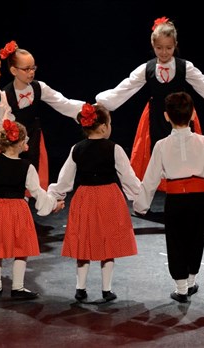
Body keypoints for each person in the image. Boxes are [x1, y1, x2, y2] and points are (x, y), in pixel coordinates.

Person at [95, 16, 204, 191]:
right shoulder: (147, 69)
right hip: (155, 117)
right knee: (157, 153)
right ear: (153, 46)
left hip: (181, 116)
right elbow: (125, 87)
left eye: (168, 48)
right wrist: (101, 102)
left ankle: (185, 186)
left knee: (184, 153)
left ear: (175, 45)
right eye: (159, 48)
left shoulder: (184, 67)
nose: (164, 52)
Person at [133, 91, 204, 303]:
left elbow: (150, 180)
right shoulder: (203, 142)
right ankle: (190, 282)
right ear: (193, 115)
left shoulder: (161, 145)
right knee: (196, 238)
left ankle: (182, 288)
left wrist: (141, 206)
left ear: (166, 116)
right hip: (199, 199)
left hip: (176, 200)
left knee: (176, 241)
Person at [48, 103, 141, 303]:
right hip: (109, 197)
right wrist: (141, 198)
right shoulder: (114, 148)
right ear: (104, 126)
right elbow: (128, 178)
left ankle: (80, 288)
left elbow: (65, 180)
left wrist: (55, 196)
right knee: (107, 244)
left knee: (84, 242)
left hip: (85, 198)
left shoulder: (77, 148)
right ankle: (106, 290)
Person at [0, 119, 65, 299]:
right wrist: (54, 204)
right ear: (21, 143)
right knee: (21, 250)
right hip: (16, 211)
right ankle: (17, 287)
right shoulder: (27, 167)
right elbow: (38, 193)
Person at [0, 40, 85, 190]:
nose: (31, 72)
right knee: (16, 177)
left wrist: (84, 109)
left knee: (35, 176)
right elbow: (3, 123)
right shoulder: (5, 95)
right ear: (14, 71)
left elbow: (61, 102)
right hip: (14, 141)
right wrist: (17, 141)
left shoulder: (39, 87)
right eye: (26, 69)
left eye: (33, 68)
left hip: (34, 136)